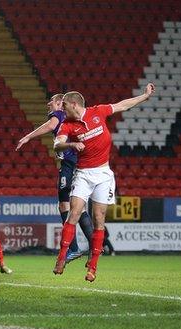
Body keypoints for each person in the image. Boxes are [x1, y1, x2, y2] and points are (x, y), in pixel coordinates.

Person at [53, 83, 155, 282]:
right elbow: (57, 144)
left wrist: (144, 96)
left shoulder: (97, 112)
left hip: (103, 175)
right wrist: (71, 144)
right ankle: (62, 257)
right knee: (73, 213)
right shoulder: (67, 124)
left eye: (64, 106)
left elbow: (122, 105)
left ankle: (93, 266)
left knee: (99, 218)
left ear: (74, 104)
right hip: (82, 174)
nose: (61, 109)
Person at [16, 94, 94, 262]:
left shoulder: (58, 114)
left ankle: (74, 248)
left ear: (60, 103)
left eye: (51, 101)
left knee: (65, 205)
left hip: (70, 163)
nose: (48, 104)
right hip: (76, 162)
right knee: (78, 207)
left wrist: (28, 136)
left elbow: (50, 125)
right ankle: (92, 246)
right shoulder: (71, 119)